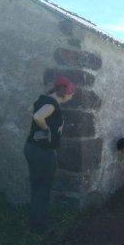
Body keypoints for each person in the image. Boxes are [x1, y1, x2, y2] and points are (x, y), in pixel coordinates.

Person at [24, 76, 77, 234]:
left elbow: (30, 110)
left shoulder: (43, 99)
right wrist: (47, 131)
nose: (72, 96)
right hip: (42, 152)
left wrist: (42, 129)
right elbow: (37, 116)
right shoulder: (52, 104)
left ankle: (37, 221)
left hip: (32, 148)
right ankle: (37, 227)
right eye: (71, 93)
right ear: (66, 92)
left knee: (38, 187)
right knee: (42, 188)